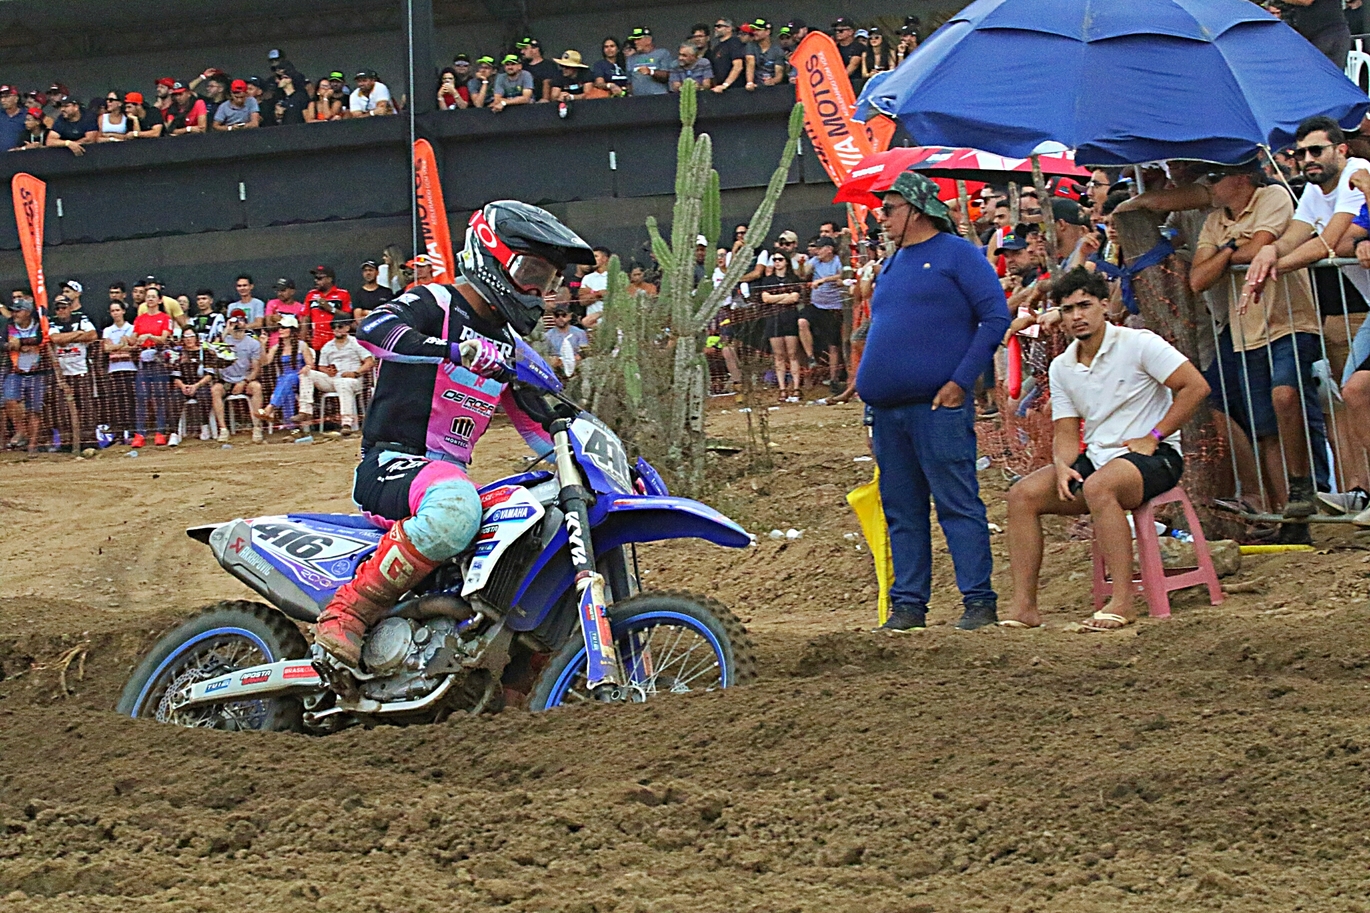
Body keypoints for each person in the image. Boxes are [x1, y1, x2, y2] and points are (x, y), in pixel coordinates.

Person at [313, 200, 595, 666]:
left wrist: (606, 458)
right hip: (392, 465)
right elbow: (373, 330)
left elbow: (541, 425)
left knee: (540, 521)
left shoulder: (507, 346)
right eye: (529, 273)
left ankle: (518, 672)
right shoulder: (436, 303)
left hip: (447, 477)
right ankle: (348, 612)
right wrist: (453, 350)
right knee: (455, 508)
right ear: (492, 255)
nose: (535, 291)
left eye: (546, 282)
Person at [1003, 268, 1210, 631]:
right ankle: (1024, 608)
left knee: (1101, 486)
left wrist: (1155, 435)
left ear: (1103, 305)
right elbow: (1066, 431)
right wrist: (1062, 465)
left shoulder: (1139, 343)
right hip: (1098, 457)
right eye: (1068, 309)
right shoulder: (1062, 366)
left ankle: (1123, 602)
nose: (1077, 316)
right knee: (1022, 495)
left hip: (1155, 456)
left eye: (1084, 305)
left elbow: (1195, 387)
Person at [856, 172, 1011, 631]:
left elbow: (995, 316)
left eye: (889, 209)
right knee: (901, 509)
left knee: (956, 502)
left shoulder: (957, 254)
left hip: (938, 406)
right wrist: (869, 405)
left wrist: (961, 380)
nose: (881, 218)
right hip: (888, 411)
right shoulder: (892, 263)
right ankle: (908, 605)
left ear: (917, 210)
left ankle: (978, 601)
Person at [1244, 115, 1368, 517]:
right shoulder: (1316, 190)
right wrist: (1270, 251)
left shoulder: (1357, 173)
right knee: (1353, 392)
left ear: (1341, 150)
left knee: (1355, 391)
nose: (1307, 159)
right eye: (1301, 153)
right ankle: (1364, 492)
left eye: (1316, 150)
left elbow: (1328, 243)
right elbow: (1297, 235)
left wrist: (1274, 267)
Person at [1191, 163, 1323, 536]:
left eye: (1215, 178)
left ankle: (1302, 486)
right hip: (1245, 332)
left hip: (1290, 321)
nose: (1209, 186)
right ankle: (1291, 520)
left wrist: (1223, 253)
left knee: (1286, 397)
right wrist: (1234, 248)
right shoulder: (1214, 220)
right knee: (1265, 430)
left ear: (1242, 177)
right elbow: (1198, 278)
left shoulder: (1274, 196)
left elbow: (1260, 247)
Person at [297, 316, 373, 433]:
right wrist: (327, 371)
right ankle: (305, 411)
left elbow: (369, 362)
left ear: (347, 328)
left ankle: (346, 424)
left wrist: (355, 373)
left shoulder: (356, 343)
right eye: (334, 327)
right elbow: (321, 366)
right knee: (306, 374)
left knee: (343, 383)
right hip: (333, 379)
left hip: (353, 380)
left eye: (340, 326)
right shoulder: (328, 346)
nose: (336, 329)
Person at [48, 295, 96, 451]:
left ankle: (89, 441)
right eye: (58, 308)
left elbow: (92, 335)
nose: (61, 311)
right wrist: (78, 334)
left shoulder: (81, 318)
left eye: (64, 307)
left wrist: (67, 338)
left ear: (70, 308)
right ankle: (66, 442)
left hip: (81, 371)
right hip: (62, 375)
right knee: (62, 409)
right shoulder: (52, 322)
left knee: (86, 407)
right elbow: (55, 339)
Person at [798, 236, 845, 392]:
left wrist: (824, 280)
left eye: (820, 248)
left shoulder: (837, 261)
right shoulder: (815, 261)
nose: (817, 251)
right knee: (802, 321)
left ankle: (833, 379)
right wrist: (801, 265)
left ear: (829, 249)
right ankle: (811, 357)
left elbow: (843, 275)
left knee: (833, 345)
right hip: (816, 305)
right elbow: (802, 274)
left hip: (833, 307)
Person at [4, 296, 49, 454]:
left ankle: (32, 444)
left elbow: (43, 338)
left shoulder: (39, 325)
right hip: (16, 371)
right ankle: (21, 431)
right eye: (13, 311)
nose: (15, 314)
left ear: (28, 312)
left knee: (34, 409)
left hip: (37, 371)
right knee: (9, 399)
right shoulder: (8, 326)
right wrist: (9, 346)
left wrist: (22, 343)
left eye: (19, 311)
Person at [211, 311, 264, 443]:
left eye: (240, 320)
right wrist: (226, 331)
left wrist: (244, 382)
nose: (237, 324)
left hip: (245, 379)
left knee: (257, 387)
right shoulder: (225, 340)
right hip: (226, 380)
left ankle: (257, 427)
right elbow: (212, 350)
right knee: (215, 390)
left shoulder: (253, 343)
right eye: (235, 320)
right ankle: (223, 429)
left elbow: (256, 369)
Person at [131, 287, 174, 447]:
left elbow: (163, 338)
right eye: (147, 296)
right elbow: (134, 339)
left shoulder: (165, 318)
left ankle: (160, 432)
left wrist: (149, 336)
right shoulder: (140, 319)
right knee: (142, 397)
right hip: (143, 360)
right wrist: (128, 340)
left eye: (153, 297)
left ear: (159, 300)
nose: (150, 299)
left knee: (160, 397)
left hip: (159, 359)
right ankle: (139, 434)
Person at [758, 249, 802, 402]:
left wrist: (776, 298)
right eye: (775, 259)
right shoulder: (768, 280)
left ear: (786, 262)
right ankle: (782, 388)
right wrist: (784, 296)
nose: (777, 262)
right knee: (778, 355)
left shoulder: (793, 278)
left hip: (789, 318)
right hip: (773, 319)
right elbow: (766, 299)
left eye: (780, 259)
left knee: (792, 354)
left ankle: (796, 387)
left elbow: (794, 298)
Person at [258, 315, 313, 426]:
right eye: (280, 327)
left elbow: (310, 364)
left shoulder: (302, 345)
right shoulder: (276, 347)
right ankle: (292, 427)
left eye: (284, 327)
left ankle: (270, 407)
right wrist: (263, 345)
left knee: (289, 379)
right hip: (283, 380)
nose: (280, 330)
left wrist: (307, 367)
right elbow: (264, 362)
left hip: (299, 378)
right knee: (287, 390)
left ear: (292, 330)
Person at [100, 301, 137, 443]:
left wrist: (116, 346)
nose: (115, 313)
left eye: (117, 310)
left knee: (131, 401)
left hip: (130, 368)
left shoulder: (132, 328)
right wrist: (122, 345)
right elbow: (106, 348)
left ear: (123, 311)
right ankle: (119, 434)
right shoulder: (108, 330)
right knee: (117, 402)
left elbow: (134, 346)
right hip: (114, 369)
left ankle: (133, 433)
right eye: (113, 311)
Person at [171, 327, 213, 444]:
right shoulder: (179, 354)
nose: (188, 339)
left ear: (196, 338)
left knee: (204, 395)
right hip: (183, 386)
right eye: (186, 337)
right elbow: (175, 376)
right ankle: (174, 433)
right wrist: (183, 386)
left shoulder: (204, 353)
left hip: (200, 385)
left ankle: (205, 427)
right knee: (174, 398)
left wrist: (196, 386)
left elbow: (209, 375)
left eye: (191, 336)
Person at [304, 265, 353, 351]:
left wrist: (330, 309)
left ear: (329, 279)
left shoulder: (342, 294)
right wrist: (303, 340)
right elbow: (305, 318)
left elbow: (348, 316)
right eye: (315, 278)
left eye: (319, 278)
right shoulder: (311, 295)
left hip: (337, 341)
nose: (316, 281)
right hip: (316, 342)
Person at [544, 305, 590, 376]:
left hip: (576, 367)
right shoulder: (548, 335)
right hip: (556, 369)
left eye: (564, 315)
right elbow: (546, 354)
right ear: (553, 317)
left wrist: (578, 357)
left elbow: (584, 352)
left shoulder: (580, 333)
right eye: (557, 315)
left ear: (570, 316)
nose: (560, 318)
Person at [626, 28, 672, 96]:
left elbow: (666, 75)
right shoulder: (631, 58)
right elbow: (629, 82)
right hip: (638, 98)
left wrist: (651, 72)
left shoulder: (663, 53)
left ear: (648, 40)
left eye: (638, 39)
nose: (635, 42)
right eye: (634, 40)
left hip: (659, 97)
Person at [708, 19, 747, 92]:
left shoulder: (734, 43)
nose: (716, 28)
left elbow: (738, 66)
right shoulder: (716, 47)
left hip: (735, 90)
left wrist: (725, 85)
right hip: (720, 89)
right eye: (715, 26)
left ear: (729, 28)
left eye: (719, 26)